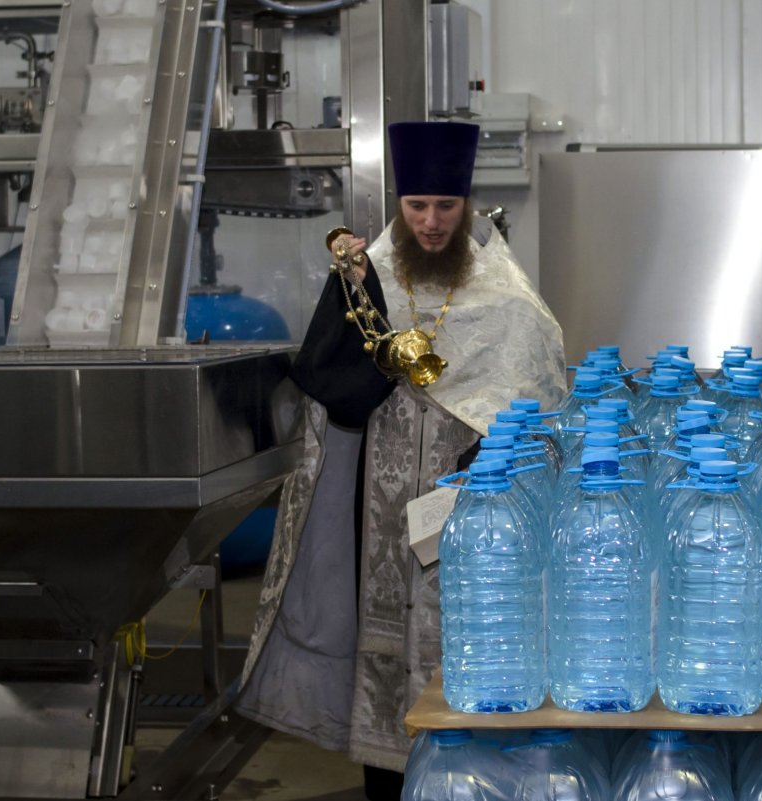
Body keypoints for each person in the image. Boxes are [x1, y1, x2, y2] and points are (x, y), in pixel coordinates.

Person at [235, 120, 566, 799]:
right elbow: (330, 389)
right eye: (417, 207)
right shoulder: (370, 276)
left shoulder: (507, 297)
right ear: (399, 205)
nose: (432, 222)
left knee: (466, 658)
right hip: (379, 520)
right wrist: (354, 297)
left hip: (469, 517)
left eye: (445, 207)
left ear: (466, 205)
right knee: (382, 664)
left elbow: (538, 401)